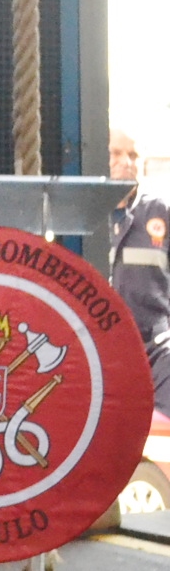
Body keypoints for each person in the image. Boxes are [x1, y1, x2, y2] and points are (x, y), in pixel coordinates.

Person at [107, 129, 170, 417]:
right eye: (115, 153)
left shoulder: (160, 213)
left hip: (156, 346)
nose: (126, 162)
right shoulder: (83, 216)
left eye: (133, 155)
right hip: (101, 349)